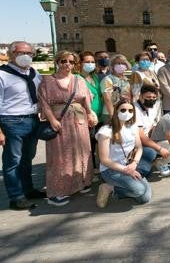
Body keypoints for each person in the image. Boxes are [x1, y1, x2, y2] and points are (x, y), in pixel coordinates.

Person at [38, 50, 98, 206]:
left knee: (82, 152)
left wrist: (91, 114)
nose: (67, 64)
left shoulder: (79, 80)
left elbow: (86, 101)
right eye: (64, 61)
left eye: (71, 62)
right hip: (59, 121)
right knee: (60, 157)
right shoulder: (47, 81)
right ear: (57, 62)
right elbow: (44, 103)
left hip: (79, 121)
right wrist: (51, 120)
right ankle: (57, 192)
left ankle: (82, 182)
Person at [0, 41, 45, 210]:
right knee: (13, 161)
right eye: (20, 52)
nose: (25, 56)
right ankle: (16, 197)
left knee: (27, 158)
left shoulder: (34, 73)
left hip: (32, 120)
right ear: (11, 54)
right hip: (12, 121)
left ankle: (28, 189)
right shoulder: (2, 75)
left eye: (29, 53)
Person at [95, 100, 152, 208]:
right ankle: (108, 187)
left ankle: (118, 188)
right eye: (123, 110)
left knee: (145, 198)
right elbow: (104, 160)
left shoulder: (133, 127)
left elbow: (139, 147)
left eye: (130, 110)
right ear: (116, 111)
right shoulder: (106, 131)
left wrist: (134, 164)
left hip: (129, 165)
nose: (127, 113)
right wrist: (127, 170)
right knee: (139, 190)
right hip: (110, 170)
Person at [133, 85, 167, 177]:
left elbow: (151, 127)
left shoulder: (153, 107)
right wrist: (159, 148)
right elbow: (141, 136)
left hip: (147, 140)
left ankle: (146, 166)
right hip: (134, 144)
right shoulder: (135, 109)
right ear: (141, 96)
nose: (151, 100)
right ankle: (138, 170)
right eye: (148, 97)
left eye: (153, 97)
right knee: (151, 153)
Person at [78, 51, 104, 171]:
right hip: (86, 116)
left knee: (97, 142)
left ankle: (96, 166)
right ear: (80, 63)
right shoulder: (78, 78)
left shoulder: (94, 76)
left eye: (92, 62)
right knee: (89, 145)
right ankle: (90, 169)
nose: (90, 64)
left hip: (99, 115)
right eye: (87, 62)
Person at [100, 54, 132, 124]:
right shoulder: (108, 79)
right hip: (110, 114)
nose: (120, 65)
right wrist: (112, 116)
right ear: (112, 66)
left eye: (123, 63)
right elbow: (107, 99)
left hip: (124, 112)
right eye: (118, 63)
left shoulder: (126, 80)